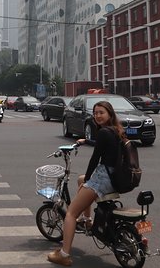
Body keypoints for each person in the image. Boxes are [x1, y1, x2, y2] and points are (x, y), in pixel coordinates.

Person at [47, 100, 126, 267]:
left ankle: (64, 254)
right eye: (95, 112)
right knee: (80, 179)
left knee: (70, 214)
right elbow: (103, 147)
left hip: (103, 178)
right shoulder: (115, 130)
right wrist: (86, 141)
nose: (97, 115)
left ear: (109, 114)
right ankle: (88, 219)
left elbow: (95, 159)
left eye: (101, 112)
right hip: (114, 177)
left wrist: (90, 181)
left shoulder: (104, 132)